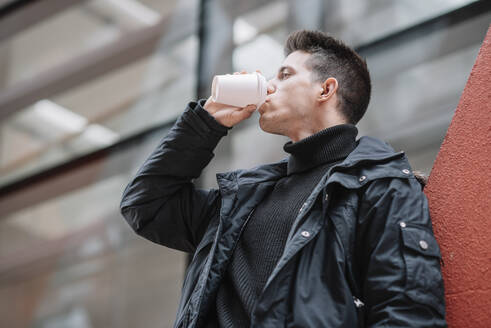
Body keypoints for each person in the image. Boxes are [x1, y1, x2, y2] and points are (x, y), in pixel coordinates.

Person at [119, 29, 447, 327]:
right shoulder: (241, 200)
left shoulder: (383, 187)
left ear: (326, 89)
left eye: (285, 74)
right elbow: (146, 203)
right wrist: (206, 122)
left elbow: (407, 313)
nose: (269, 85)